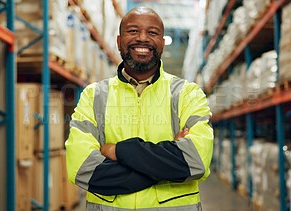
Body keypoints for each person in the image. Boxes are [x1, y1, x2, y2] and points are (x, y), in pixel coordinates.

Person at [65, 6, 214, 211]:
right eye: (133, 31)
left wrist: (117, 150)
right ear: (118, 42)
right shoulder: (94, 96)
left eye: (152, 32)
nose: (142, 38)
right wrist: (166, 162)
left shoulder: (187, 94)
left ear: (162, 43)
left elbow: (195, 161)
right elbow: (82, 169)